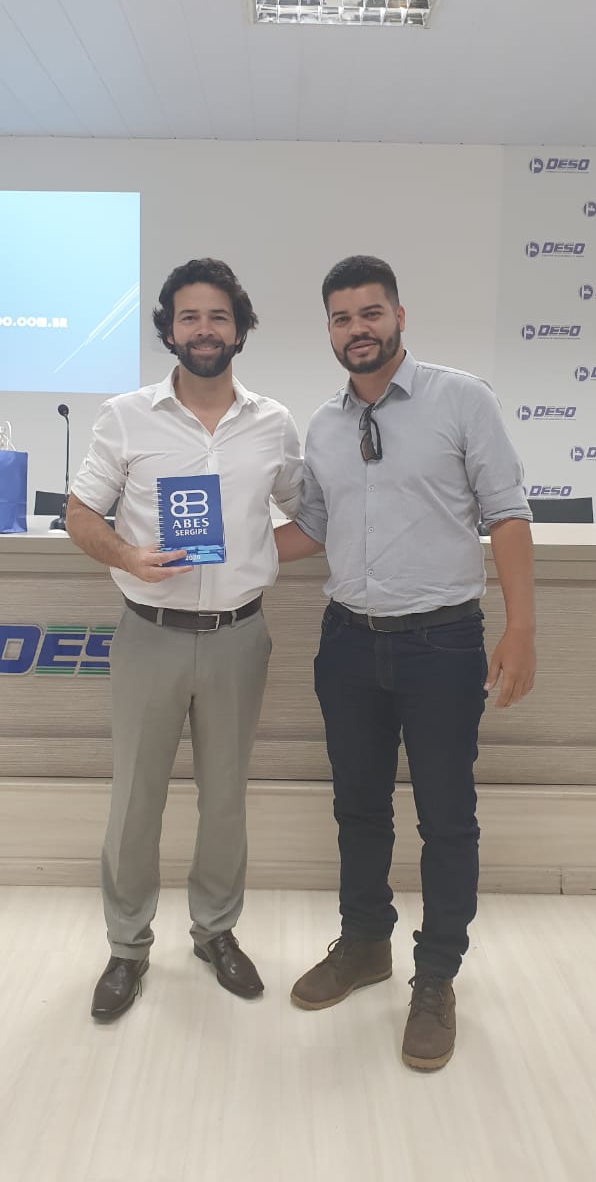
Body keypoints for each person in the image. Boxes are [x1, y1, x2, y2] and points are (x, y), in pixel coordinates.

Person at [275, 255, 535, 1071]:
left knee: (445, 817)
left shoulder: (461, 399)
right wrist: (210, 553)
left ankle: (435, 976)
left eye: (370, 312)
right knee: (357, 808)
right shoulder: (323, 425)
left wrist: (521, 629)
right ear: (328, 330)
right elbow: (310, 531)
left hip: (442, 644)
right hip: (347, 643)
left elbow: (507, 514)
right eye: (341, 318)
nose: (357, 329)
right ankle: (364, 944)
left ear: (398, 316)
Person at [67, 258, 302, 1020]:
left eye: (218, 317)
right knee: (135, 800)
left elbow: (307, 515)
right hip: (150, 635)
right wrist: (127, 555)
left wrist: (256, 555)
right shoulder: (125, 416)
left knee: (225, 799)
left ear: (240, 330)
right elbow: (80, 513)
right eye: (189, 317)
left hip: (239, 637)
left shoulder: (273, 422)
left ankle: (215, 933)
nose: (204, 330)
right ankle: (127, 946)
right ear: (169, 331)